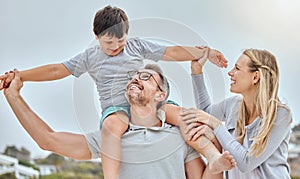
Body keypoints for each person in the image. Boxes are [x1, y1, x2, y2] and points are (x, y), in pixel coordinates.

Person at [0, 5, 228, 178]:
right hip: (116, 109)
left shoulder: (136, 46)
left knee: (186, 117)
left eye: (120, 40)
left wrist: (202, 53)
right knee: (111, 127)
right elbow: (55, 70)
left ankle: (213, 156)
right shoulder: (91, 57)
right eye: (109, 42)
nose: (116, 47)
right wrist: (22, 76)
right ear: (97, 37)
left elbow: (172, 51)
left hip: (149, 108)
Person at [3, 65, 235, 179]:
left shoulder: (179, 138)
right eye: (134, 76)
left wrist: (216, 165)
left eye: (146, 77)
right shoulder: (109, 138)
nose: (136, 78)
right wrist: (13, 96)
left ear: (160, 95)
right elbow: (48, 140)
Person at [181, 49, 292, 179]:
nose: (230, 72)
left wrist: (217, 125)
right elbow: (205, 113)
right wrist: (197, 70)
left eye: (237, 68)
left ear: (255, 77)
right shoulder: (233, 104)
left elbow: (246, 163)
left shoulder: (280, 115)